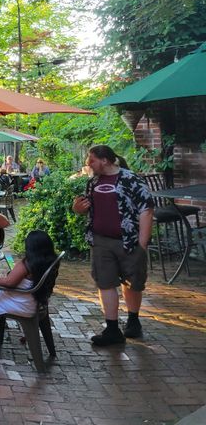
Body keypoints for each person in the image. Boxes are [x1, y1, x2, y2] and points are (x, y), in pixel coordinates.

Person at [72, 144, 154, 346]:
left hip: (128, 240)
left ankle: (133, 321)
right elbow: (87, 209)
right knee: (105, 282)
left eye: (91, 160)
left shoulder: (131, 179)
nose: (88, 164)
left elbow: (147, 210)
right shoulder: (93, 182)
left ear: (105, 160)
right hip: (100, 241)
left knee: (132, 282)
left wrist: (142, 245)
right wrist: (77, 209)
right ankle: (112, 328)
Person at [0, 230, 58, 351]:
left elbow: (9, 282)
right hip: (35, 301)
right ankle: (27, 333)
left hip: (22, 303)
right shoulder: (50, 261)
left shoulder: (27, 265)